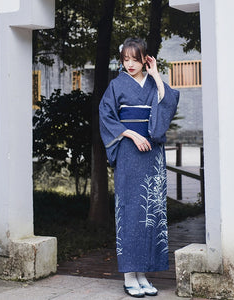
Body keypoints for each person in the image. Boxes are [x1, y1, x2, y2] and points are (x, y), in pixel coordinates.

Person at [99, 37, 179, 298]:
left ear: (145, 58)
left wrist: (156, 76)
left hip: (152, 153)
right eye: (125, 59)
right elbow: (106, 115)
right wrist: (132, 135)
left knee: (151, 211)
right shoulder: (116, 85)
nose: (130, 64)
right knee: (130, 210)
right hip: (129, 151)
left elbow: (167, 104)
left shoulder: (152, 83)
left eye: (135, 59)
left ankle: (143, 273)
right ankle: (129, 275)